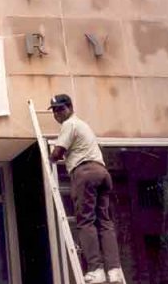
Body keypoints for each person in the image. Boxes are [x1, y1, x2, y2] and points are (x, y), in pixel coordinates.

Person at [48, 94, 123, 284]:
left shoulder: (69, 124)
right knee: (104, 222)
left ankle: (96, 269)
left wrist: (50, 155)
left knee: (85, 221)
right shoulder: (83, 125)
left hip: (85, 173)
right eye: (54, 110)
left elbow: (57, 154)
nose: (57, 114)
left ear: (70, 107)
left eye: (60, 109)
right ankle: (114, 270)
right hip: (102, 172)